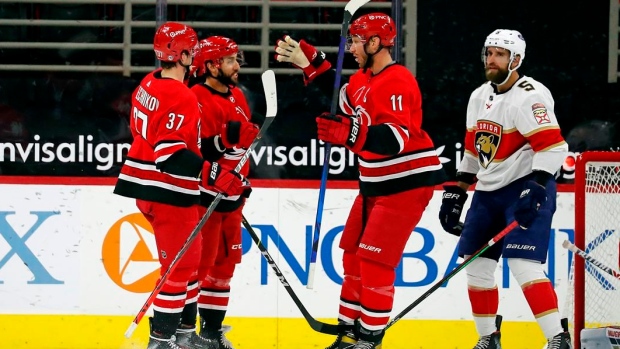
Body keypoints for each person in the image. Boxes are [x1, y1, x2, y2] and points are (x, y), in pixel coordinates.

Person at [275, 13, 447, 349]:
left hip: (405, 183)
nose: (351, 47)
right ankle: (350, 333)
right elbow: (340, 96)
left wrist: (349, 133)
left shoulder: (397, 80)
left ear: (375, 42)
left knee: (374, 262)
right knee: (352, 255)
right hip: (374, 183)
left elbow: (393, 139)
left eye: (356, 41)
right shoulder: (363, 79)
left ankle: (370, 341)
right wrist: (313, 63)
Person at [113, 22, 250, 349]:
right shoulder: (182, 97)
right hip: (167, 190)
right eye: (192, 49)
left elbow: (146, 135)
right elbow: (171, 155)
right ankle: (161, 340)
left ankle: (185, 337)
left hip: (145, 186)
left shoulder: (147, 83)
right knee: (181, 269)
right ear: (185, 54)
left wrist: (219, 146)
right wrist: (215, 174)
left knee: (186, 266)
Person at [438, 29, 571, 349]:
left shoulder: (530, 96)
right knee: (475, 265)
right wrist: (456, 193)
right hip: (488, 193)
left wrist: (536, 187)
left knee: (524, 265)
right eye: (489, 53)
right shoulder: (478, 96)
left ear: (517, 60)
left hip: (526, 187)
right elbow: (473, 152)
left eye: (499, 54)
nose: (491, 59)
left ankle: (558, 337)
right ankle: (488, 338)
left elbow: (554, 148)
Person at [188, 36, 259, 349]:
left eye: (236, 59)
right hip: (205, 197)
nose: (237, 65)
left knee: (223, 268)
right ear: (212, 65)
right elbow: (195, 151)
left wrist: (243, 178)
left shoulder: (238, 96)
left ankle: (210, 333)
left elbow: (240, 147)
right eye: (230, 60)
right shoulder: (194, 97)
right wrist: (226, 139)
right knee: (198, 269)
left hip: (232, 198)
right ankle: (183, 333)